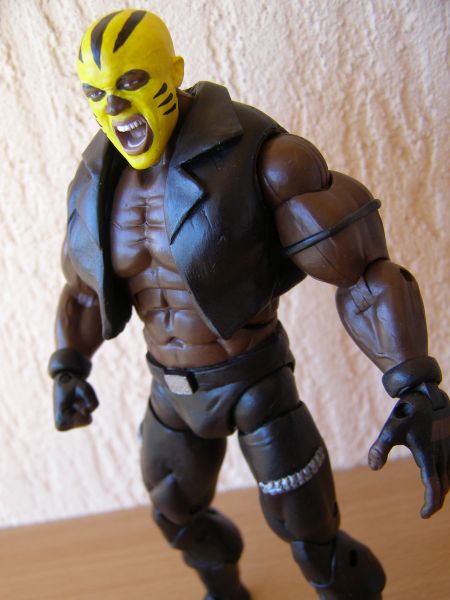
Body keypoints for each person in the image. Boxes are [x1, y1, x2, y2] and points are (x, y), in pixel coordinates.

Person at [49, 9, 449, 600]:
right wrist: (68, 365)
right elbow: (84, 289)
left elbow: (363, 272)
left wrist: (414, 382)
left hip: (255, 383)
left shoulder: (261, 155)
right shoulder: (95, 181)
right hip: (171, 391)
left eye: (131, 83)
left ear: (174, 72)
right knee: (174, 512)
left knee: (310, 533)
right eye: (96, 93)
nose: (114, 108)